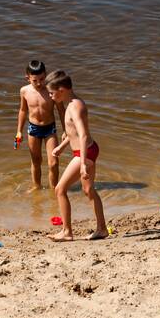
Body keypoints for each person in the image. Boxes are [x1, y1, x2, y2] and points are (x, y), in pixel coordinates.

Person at [45, 70, 107, 241]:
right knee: (88, 190)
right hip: (87, 150)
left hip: (84, 152)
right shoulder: (71, 102)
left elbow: (83, 134)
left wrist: (82, 164)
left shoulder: (75, 107)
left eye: (51, 92)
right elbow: (72, 134)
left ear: (62, 90)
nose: (50, 96)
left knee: (60, 189)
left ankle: (66, 232)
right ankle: (102, 229)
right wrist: (62, 146)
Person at [15, 60, 63, 190]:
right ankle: (37, 187)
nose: (39, 83)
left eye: (42, 79)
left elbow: (61, 110)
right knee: (36, 161)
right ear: (28, 78)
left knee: (53, 163)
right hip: (33, 129)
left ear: (46, 75)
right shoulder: (24, 91)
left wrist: (66, 130)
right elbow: (23, 110)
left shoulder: (51, 90)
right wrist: (19, 131)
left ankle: (54, 189)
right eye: (35, 80)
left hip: (50, 129)